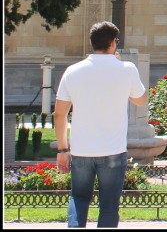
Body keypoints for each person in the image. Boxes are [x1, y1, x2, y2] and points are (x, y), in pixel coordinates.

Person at [53, 21, 147, 228]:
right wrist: (121, 66)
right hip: (113, 150)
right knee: (109, 205)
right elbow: (141, 100)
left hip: (81, 150)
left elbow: (59, 114)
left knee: (78, 198)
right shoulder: (126, 69)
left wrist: (62, 149)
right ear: (114, 43)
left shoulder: (72, 71)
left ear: (91, 42)